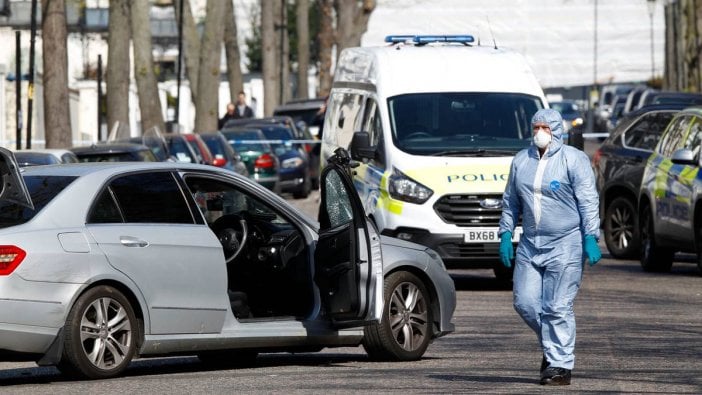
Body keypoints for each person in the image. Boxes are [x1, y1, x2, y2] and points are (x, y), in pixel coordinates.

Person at [498, 108, 601, 386]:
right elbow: (510, 201)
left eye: (545, 127)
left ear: (557, 130)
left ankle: (560, 365)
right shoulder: (521, 161)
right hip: (531, 244)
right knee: (525, 302)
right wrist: (506, 233)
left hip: (566, 243)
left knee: (557, 306)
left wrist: (591, 236)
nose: (540, 133)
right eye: (535, 127)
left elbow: (588, 200)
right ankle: (553, 348)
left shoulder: (574, 160)